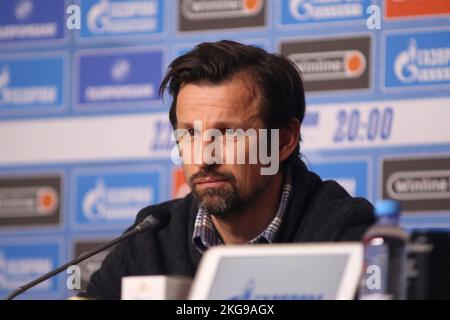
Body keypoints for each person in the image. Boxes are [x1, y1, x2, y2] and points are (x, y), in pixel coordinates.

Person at [85, 40, 375, 299]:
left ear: (284, 140)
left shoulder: (344, 234)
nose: (205, 157)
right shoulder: (151, 238)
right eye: (191, 134)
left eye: (228, 134)